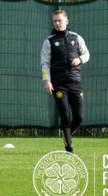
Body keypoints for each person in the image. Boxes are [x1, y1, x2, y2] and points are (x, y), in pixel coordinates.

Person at [41, 8, 90, 154]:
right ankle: (69, 148)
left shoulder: (76, 38)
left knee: (79, 117)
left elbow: (87, 54)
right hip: (59, 84)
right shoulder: (49, 41)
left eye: (60, 20)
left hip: (75, 82)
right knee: (65, 116)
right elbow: (45, 63)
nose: (57, 23)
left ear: (66, 21)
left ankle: (66, 134)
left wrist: (79, 59)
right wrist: (47, 81)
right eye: (55, 21)